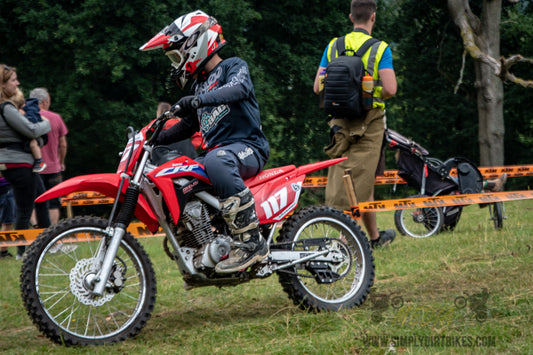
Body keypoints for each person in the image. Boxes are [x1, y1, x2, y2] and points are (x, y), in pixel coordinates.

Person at [141, 10, 270, 273]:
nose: (175, 63)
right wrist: (153, 140)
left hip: (247, 147)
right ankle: (205, 246)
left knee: (216, 159)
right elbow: (190, 126)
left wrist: (197, 101)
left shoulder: (233, 66)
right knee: (180, 177)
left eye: (176, 55)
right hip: (219, 156)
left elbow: (239, 89)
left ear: (195, 44)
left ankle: (252, 243)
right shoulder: (199, 86)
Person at [313, 0, 397, 248]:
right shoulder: (381, 49)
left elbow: (318, 86)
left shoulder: (334, 45)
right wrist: (368, 92)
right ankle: (344, 243)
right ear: (373, 17)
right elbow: (391, 89)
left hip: (339, 123)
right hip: (369, 124)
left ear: (351, 17)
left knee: (356, 179)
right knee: (358, 181)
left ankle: (374, 239)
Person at [0, 64, 51, 259]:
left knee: (41, 199)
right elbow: (30, 130)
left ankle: (46, 242)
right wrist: (45, 122)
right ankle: (22, 251)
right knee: (25, 208)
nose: (17, 83)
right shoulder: (7, 108)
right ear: (3, 84)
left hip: (17, 162)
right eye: (13, 80)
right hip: (19, 163)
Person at [29, 88, 68, 225]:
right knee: (53, 203)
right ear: (44, 101)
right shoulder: (55, 118)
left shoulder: (27, 117)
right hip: (53, 168)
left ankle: (35, 229)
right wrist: (61, 162)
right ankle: (51, 235)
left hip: (34, 167)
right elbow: (62, 144)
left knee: (33, 201)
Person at [10, 88, 47, 173]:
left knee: (33, 144)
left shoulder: (27, 110)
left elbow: (32, 124)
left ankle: (39, 160)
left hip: (34, 134)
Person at [0, 175, 15, 259]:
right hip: (4, 187)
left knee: (7, 222)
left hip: (6, 187)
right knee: (7, 222)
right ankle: (3, 252)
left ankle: (4, 251)